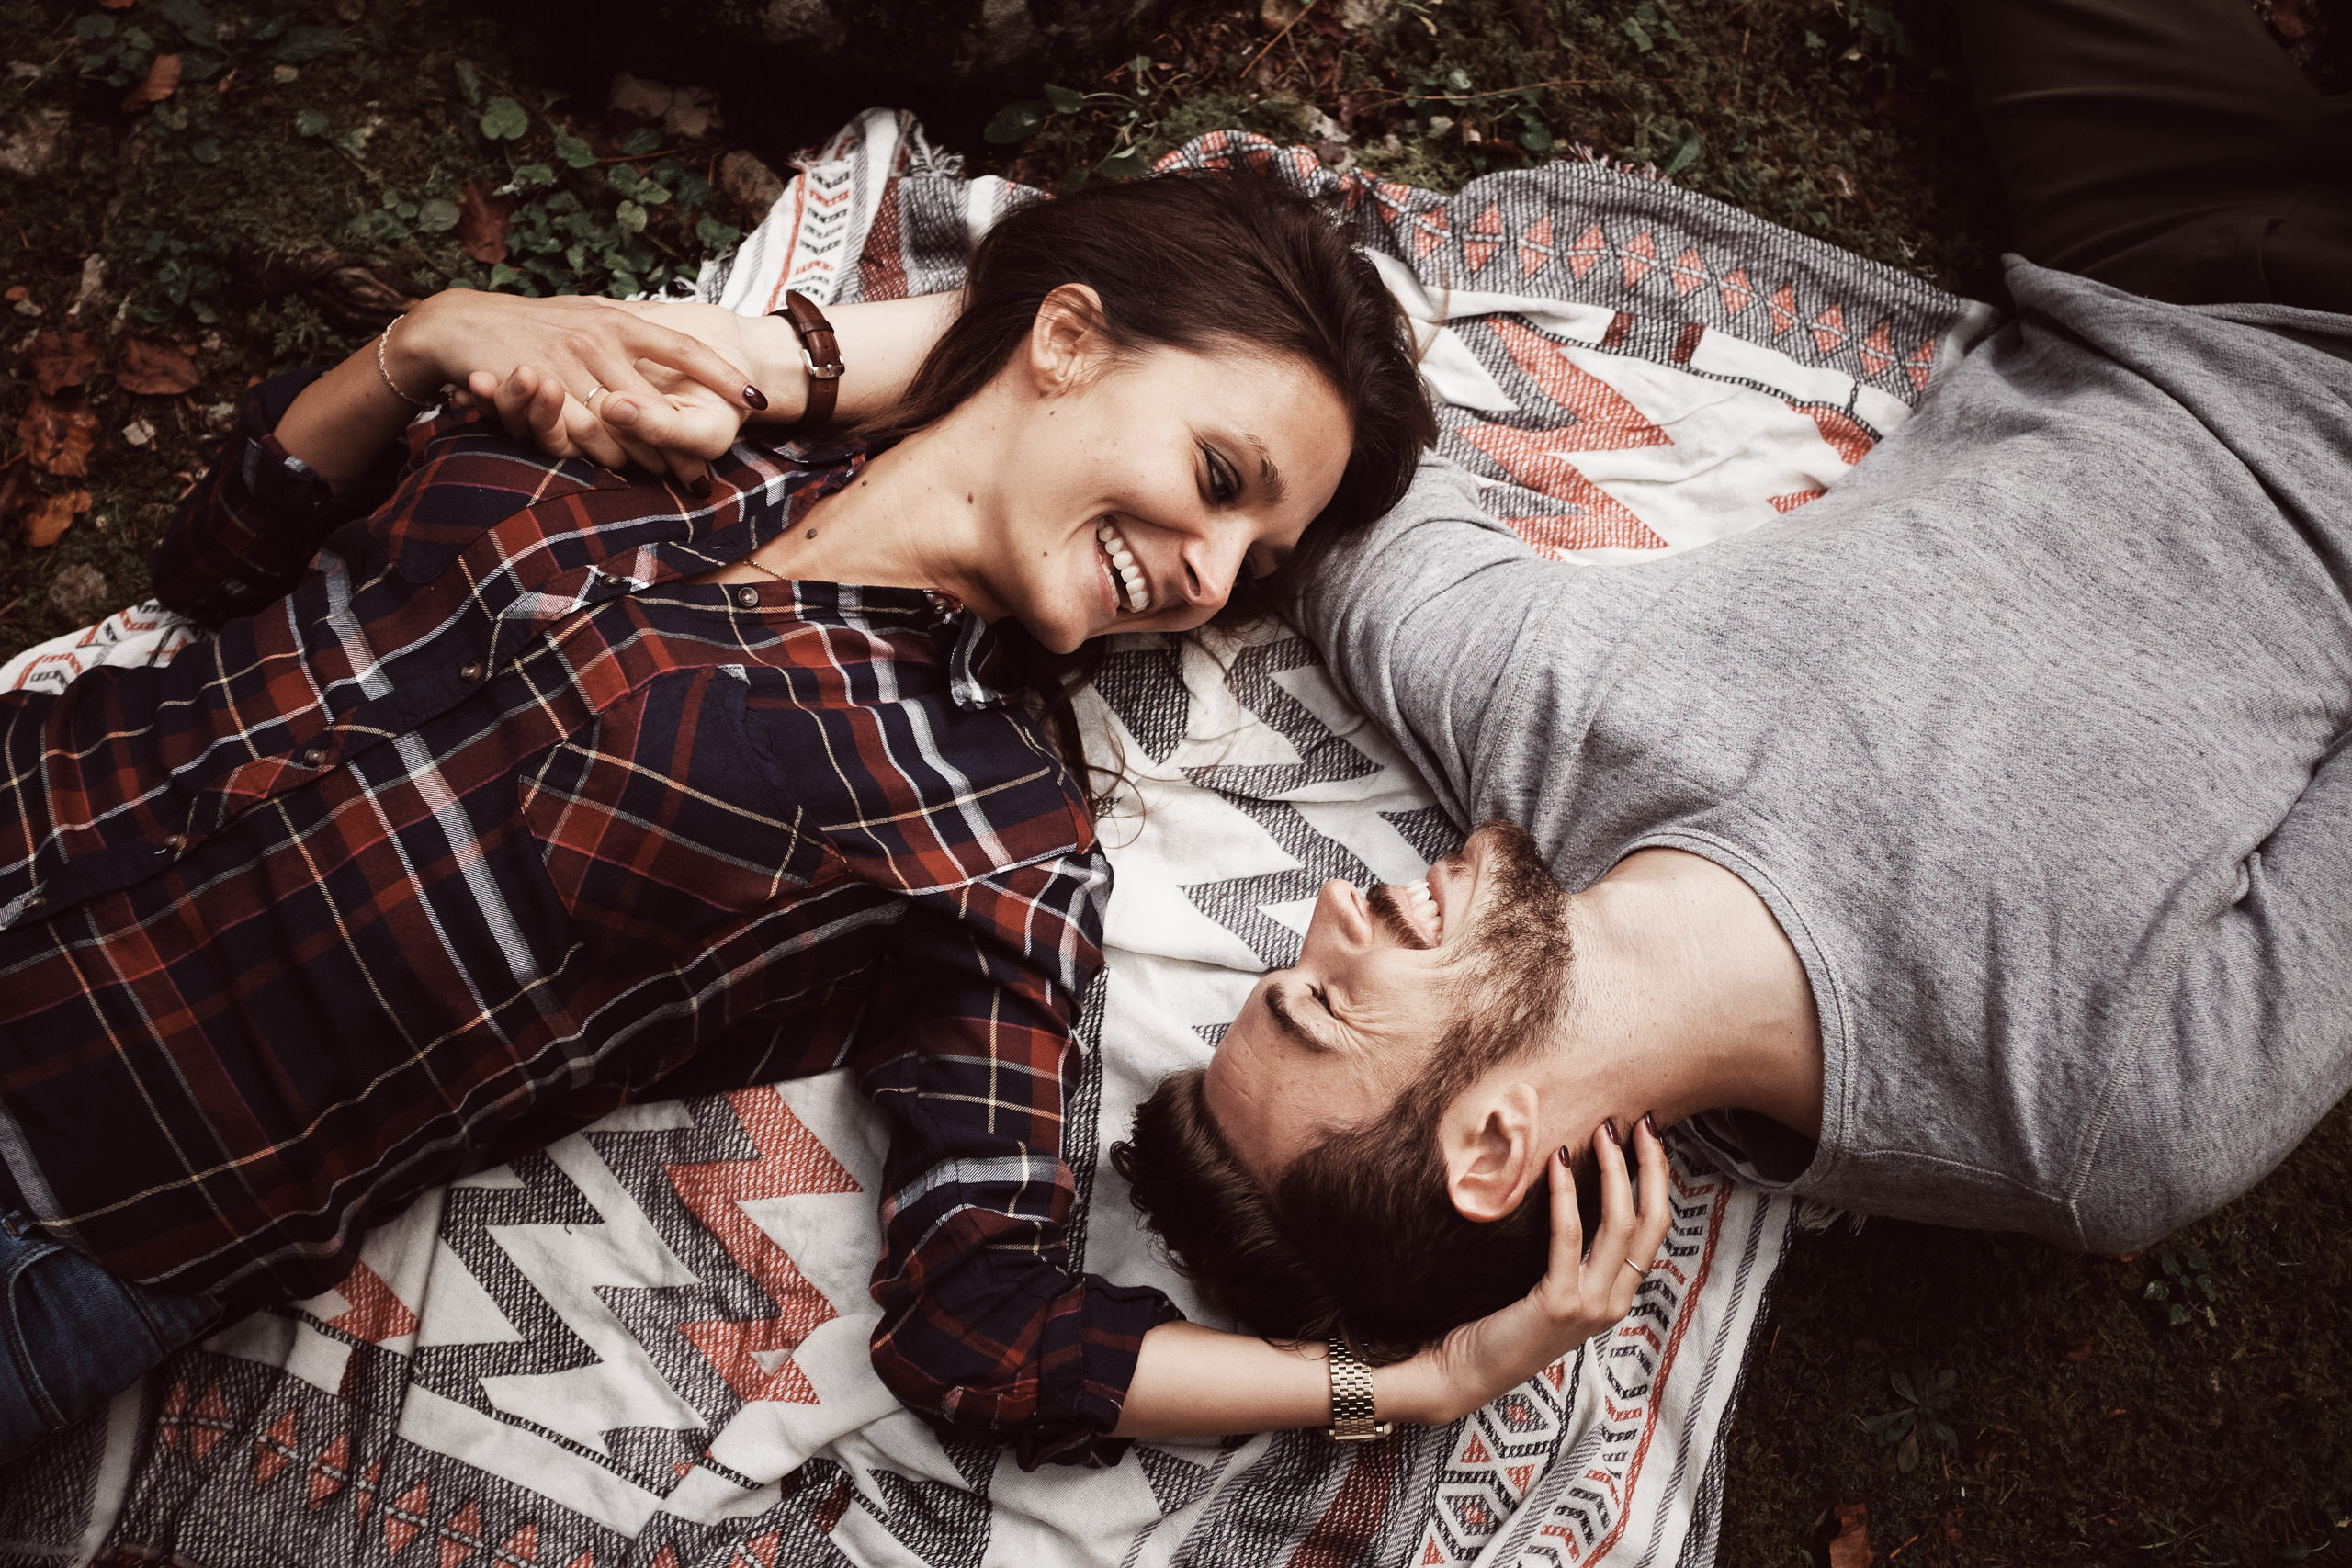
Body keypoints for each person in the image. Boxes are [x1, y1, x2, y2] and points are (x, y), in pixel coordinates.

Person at [0, 172, 1448, 1467]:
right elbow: (220, 559)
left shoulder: (999, 831)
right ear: (1066, 342)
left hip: (84, 1207)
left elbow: (984, 1325)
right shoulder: (658, 415)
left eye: (1255, 560)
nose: (1210, 573)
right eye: (1218, 481)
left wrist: (1405, 1385)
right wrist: (430, 335)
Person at [1114, 0, 2352, 1410]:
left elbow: (1306, 418)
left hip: (2150, 272)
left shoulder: (1520, 706)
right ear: (1494, 1148)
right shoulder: (2099, 1119)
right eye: (1330, 1003)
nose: (1335, 915)